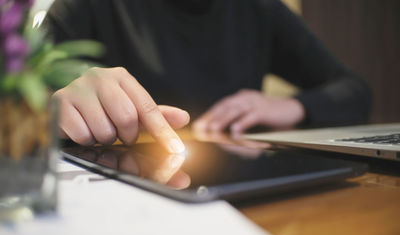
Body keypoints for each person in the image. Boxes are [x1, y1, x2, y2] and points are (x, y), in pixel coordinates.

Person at [43, 0, 372, 153]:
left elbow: (356, 91)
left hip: (244, 206)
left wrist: (291, 107)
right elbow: (15, 106)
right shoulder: (85, 6)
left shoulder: (260, 10)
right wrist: (52, 105)